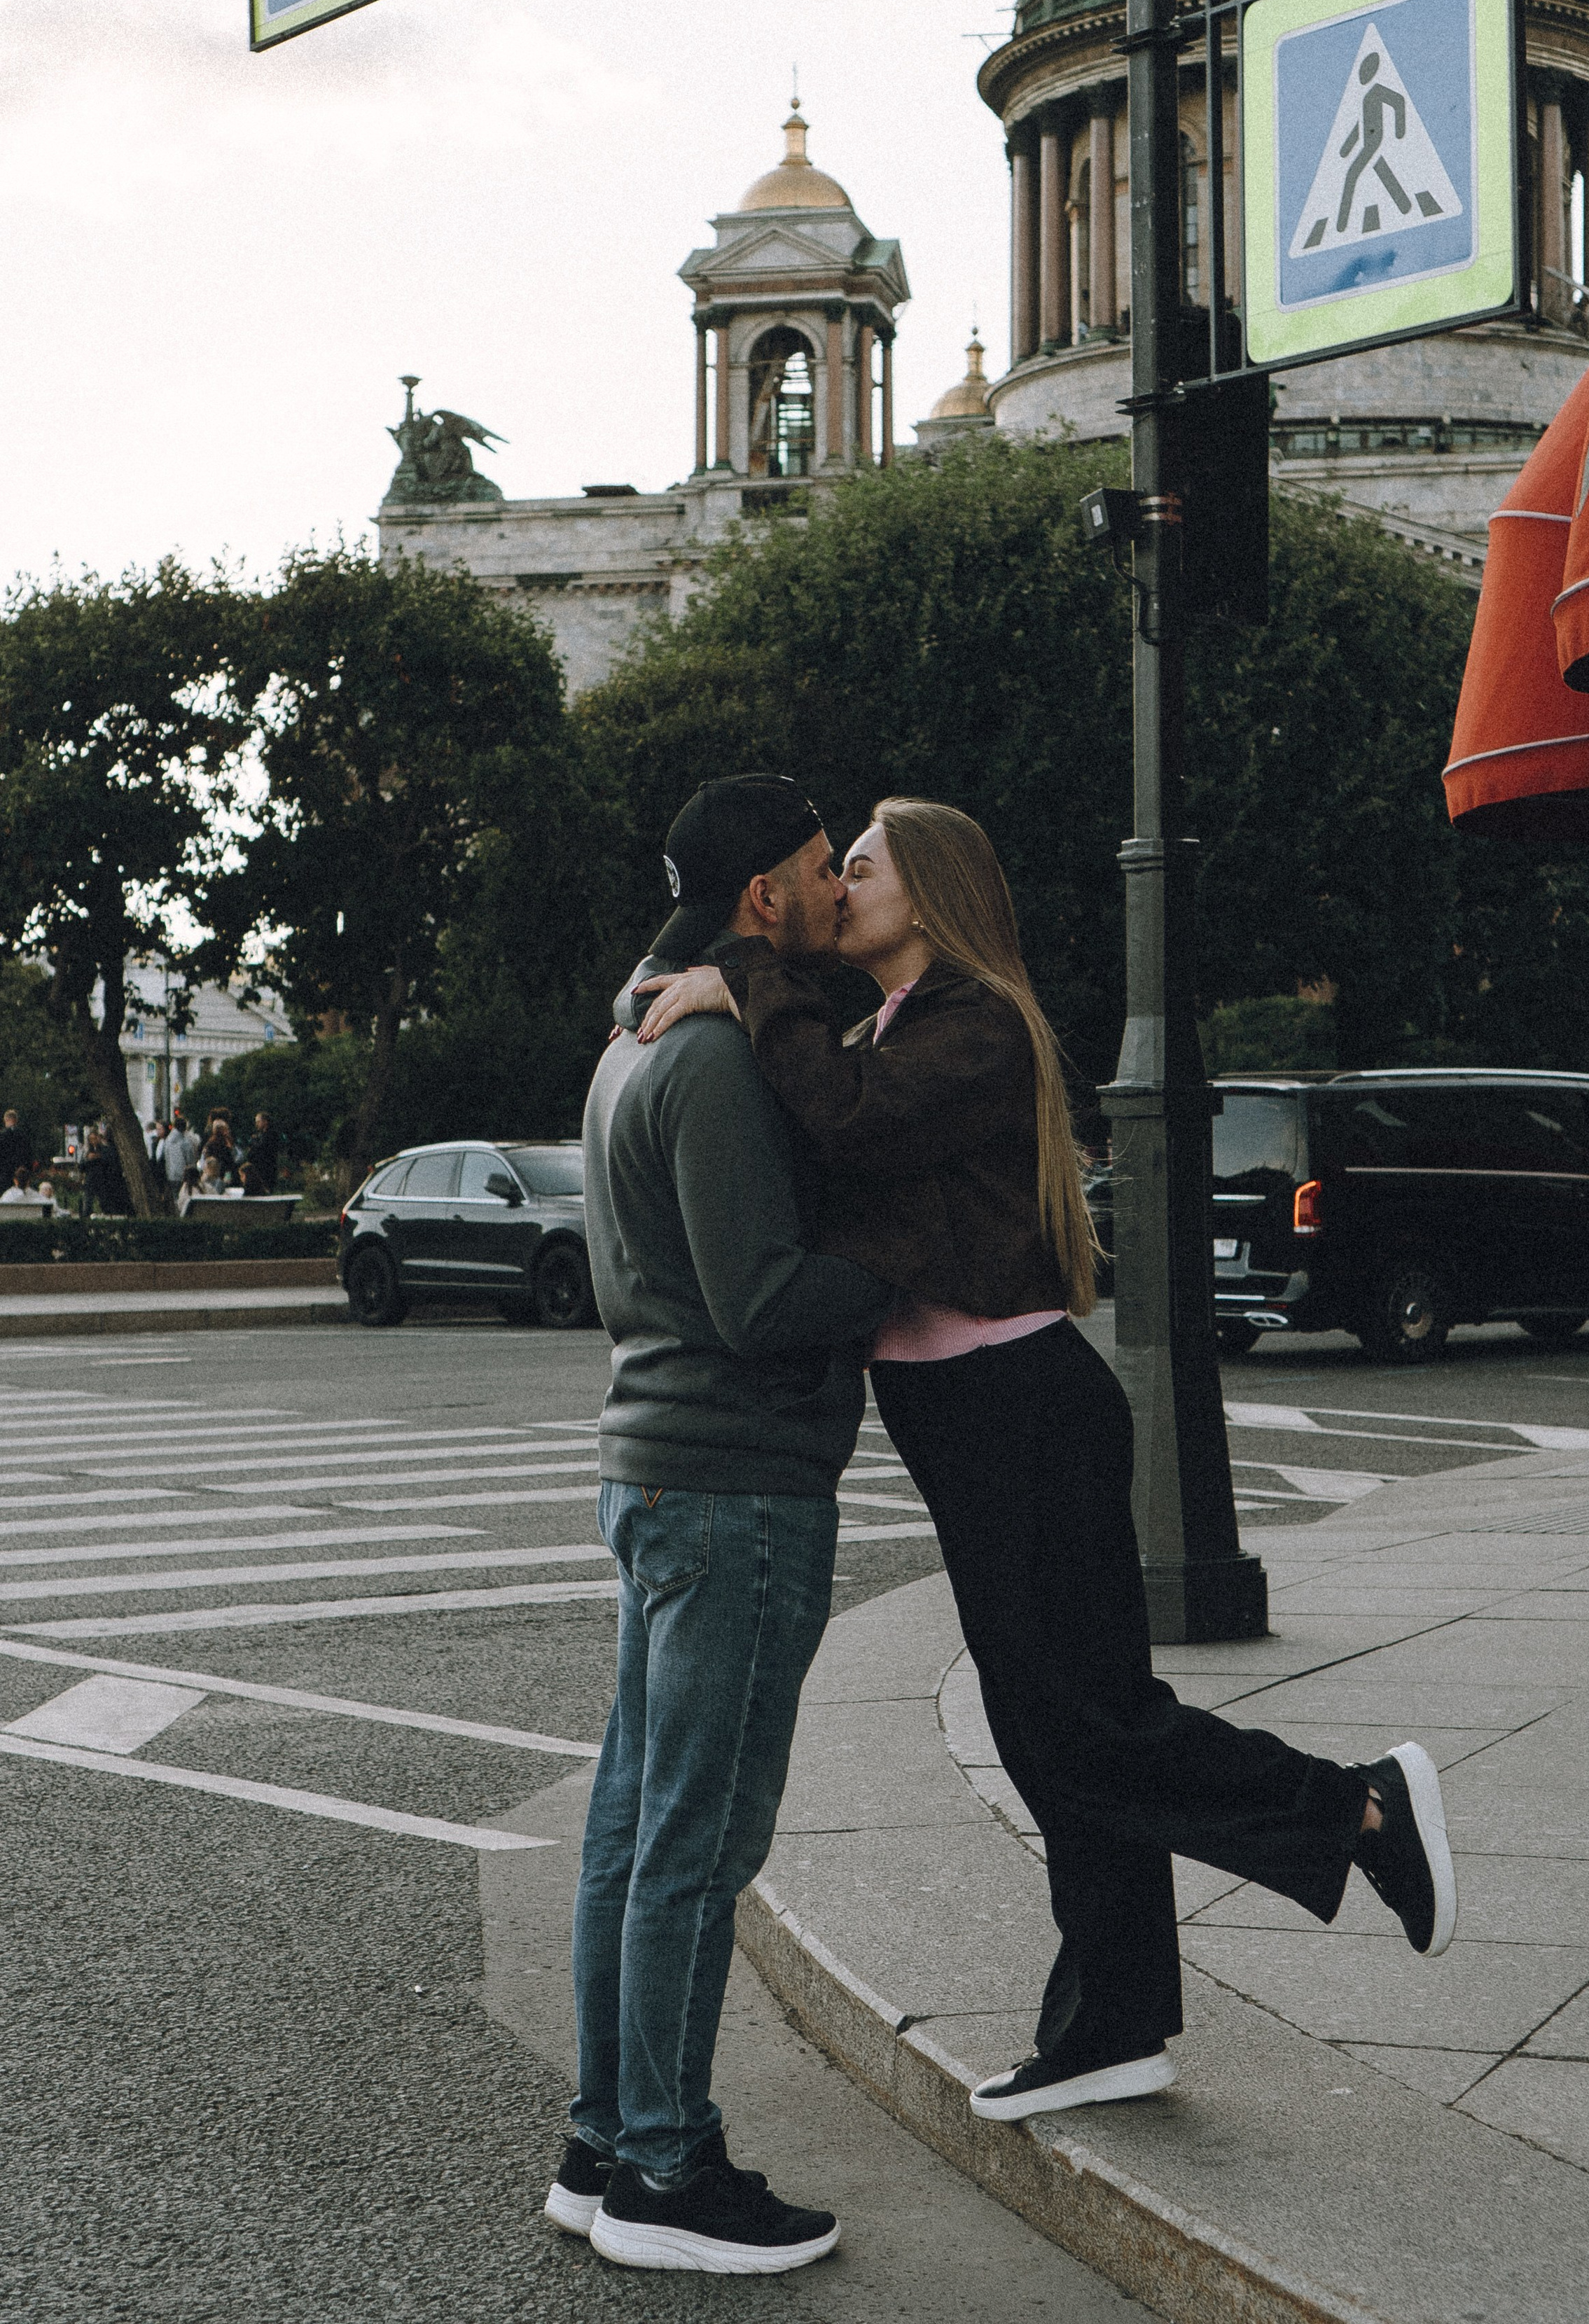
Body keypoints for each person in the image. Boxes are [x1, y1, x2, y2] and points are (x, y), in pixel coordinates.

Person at [638, 798, 1457, 2124]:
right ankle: (1113, 2026)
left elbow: (848, 1124)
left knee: (1082, 1724)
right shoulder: (887, 1025)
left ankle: (1358, 1808)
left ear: (932, 891)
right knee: (1055, 1723)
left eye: (861, 867)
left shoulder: (976, 1023)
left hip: (1019, 1408)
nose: (838, 886)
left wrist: (743, 975)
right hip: (968, 1416)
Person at [550, 774, 891, 2276]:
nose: (836, 888)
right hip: (734, 1481)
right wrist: (910, 1259)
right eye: (821, 868)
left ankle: (604, 2143)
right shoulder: (713, 1059)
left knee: (633, 1828)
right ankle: (666, 2173)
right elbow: (760, 1299)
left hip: (654, 1461)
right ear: (763, 896)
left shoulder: (630, 1042)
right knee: (696, 1838)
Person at [160, 1111, 200, 1195]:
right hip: (183, 1176)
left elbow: (164, 1156)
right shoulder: (185, 1142)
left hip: (171, 1174)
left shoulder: (168, 1141)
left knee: (174, 1195)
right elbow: (190, 1160)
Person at [242, 1112, 279, 1197]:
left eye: (258, 1122)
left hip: (267, 1169)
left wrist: (254, 1144)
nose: (257, 1124)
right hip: (258, 1168)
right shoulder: (259, 1136)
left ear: (265, 1122)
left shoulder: (271, 1135)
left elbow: (262, 1149)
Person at [0, 1110, 31, 1195]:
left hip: (5, 1173)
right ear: (16, 1120)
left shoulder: (2, 1135)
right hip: (21, 1174)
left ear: (6, 1120)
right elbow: (28, 1154)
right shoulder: (24, 1135)